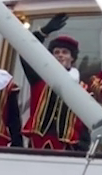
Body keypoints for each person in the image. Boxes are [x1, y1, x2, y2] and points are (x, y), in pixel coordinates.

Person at [20, 16, 85, 151]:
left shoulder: (81, 87)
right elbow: (25, 51)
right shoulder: (40, 78)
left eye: (65, 52)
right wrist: (43, 32)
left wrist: (83, 146)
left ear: (72, 58)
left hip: (67, 144)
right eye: (56, 52)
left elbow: (84, 120)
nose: (60, 55)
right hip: (39, 141)